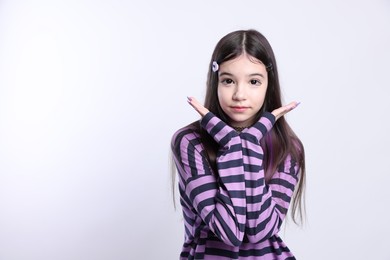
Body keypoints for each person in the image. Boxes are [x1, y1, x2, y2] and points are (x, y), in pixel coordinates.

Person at [171, 29, 306, 260]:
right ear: (215, 82)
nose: (239, 94)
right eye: (228, 81)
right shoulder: (190, 142)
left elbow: (260, 231)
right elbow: (229, 231)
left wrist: (249, 142)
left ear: (268, 85)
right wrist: (234, 144)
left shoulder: (287, 147)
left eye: (254, 81)